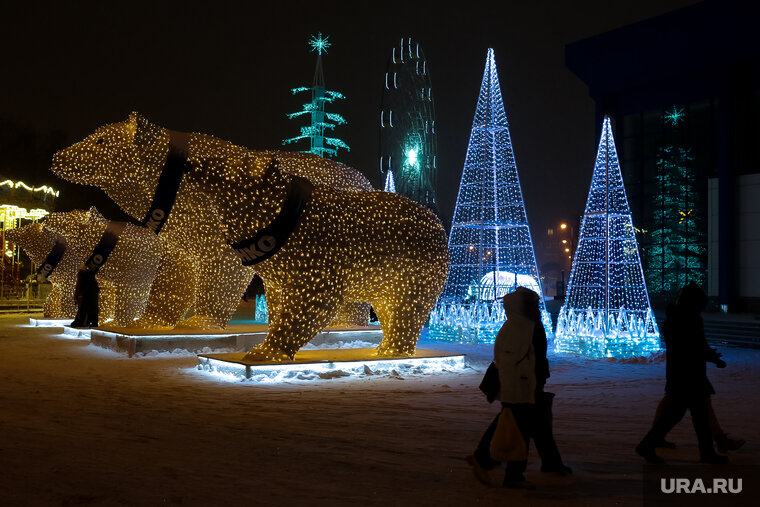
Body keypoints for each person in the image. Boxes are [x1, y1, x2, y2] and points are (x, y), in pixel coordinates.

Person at [468, 287, 571, 489]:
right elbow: (509, 361)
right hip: (522, 387)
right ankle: (492, 462)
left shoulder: (524, 324)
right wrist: (523, 385)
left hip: (528, 384)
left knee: (530, 425)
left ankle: (543, 464)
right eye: (532, 303)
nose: (537, 307)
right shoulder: (520, 327)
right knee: (519, 427)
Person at [636, 282, 729, 464]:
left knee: (693, 416)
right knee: (681, 416)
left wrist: (710, 356)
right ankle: (648, 445)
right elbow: (691, 348)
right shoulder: (687, 321)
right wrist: (711, 356)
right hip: (688, 376)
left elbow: (692, 347)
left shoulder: (678, 319)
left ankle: (706, 452)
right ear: (693, 303)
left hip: (684, 374)